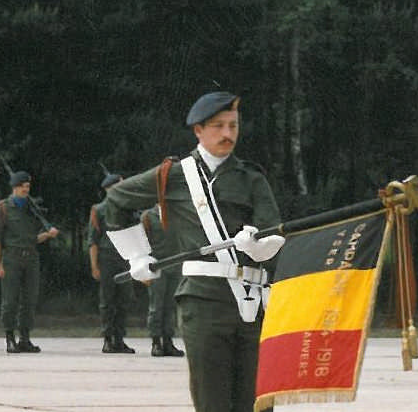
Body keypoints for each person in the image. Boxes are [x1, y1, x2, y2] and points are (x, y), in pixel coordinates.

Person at [97, 91, 285, 412]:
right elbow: (115, 202)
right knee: (212, 399)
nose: (228, 134)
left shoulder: (252, 178)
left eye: (233, 126)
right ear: (198, 130)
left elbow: (274, 235)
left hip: (253, 302)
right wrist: (138, 256)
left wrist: (257, 244)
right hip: (203, 300)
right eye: (218, 126)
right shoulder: (174, 175)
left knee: (258, 401)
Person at [0, 170, 60, 353]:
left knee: (29, 300)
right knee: (10, 300)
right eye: (21, 186)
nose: (25, 189)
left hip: (31, 257)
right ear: (14, 187)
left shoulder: (31, 209)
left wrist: (47, 235)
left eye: (27, 186)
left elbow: (32, 238)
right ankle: (10, 337)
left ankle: (25, 337)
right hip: (11, 257)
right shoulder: (3, 208)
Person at [89, 172, 136, 354]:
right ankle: (108, 339)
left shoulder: (127, 208)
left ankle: (120, 338)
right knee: (108, 300)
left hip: (124, 256)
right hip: (107, 257)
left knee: (124, 299)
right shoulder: (99, 210)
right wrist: (94, 265)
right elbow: (93, 240)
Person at [143, 206, 185, 357]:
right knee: (156, 306)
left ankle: (168, 342)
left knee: (170, 306)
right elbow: (143, 244)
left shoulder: (177, 213)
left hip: (175, 265)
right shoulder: (148, 216)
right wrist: (144, 270)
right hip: (156, 266)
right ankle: (156, 342)